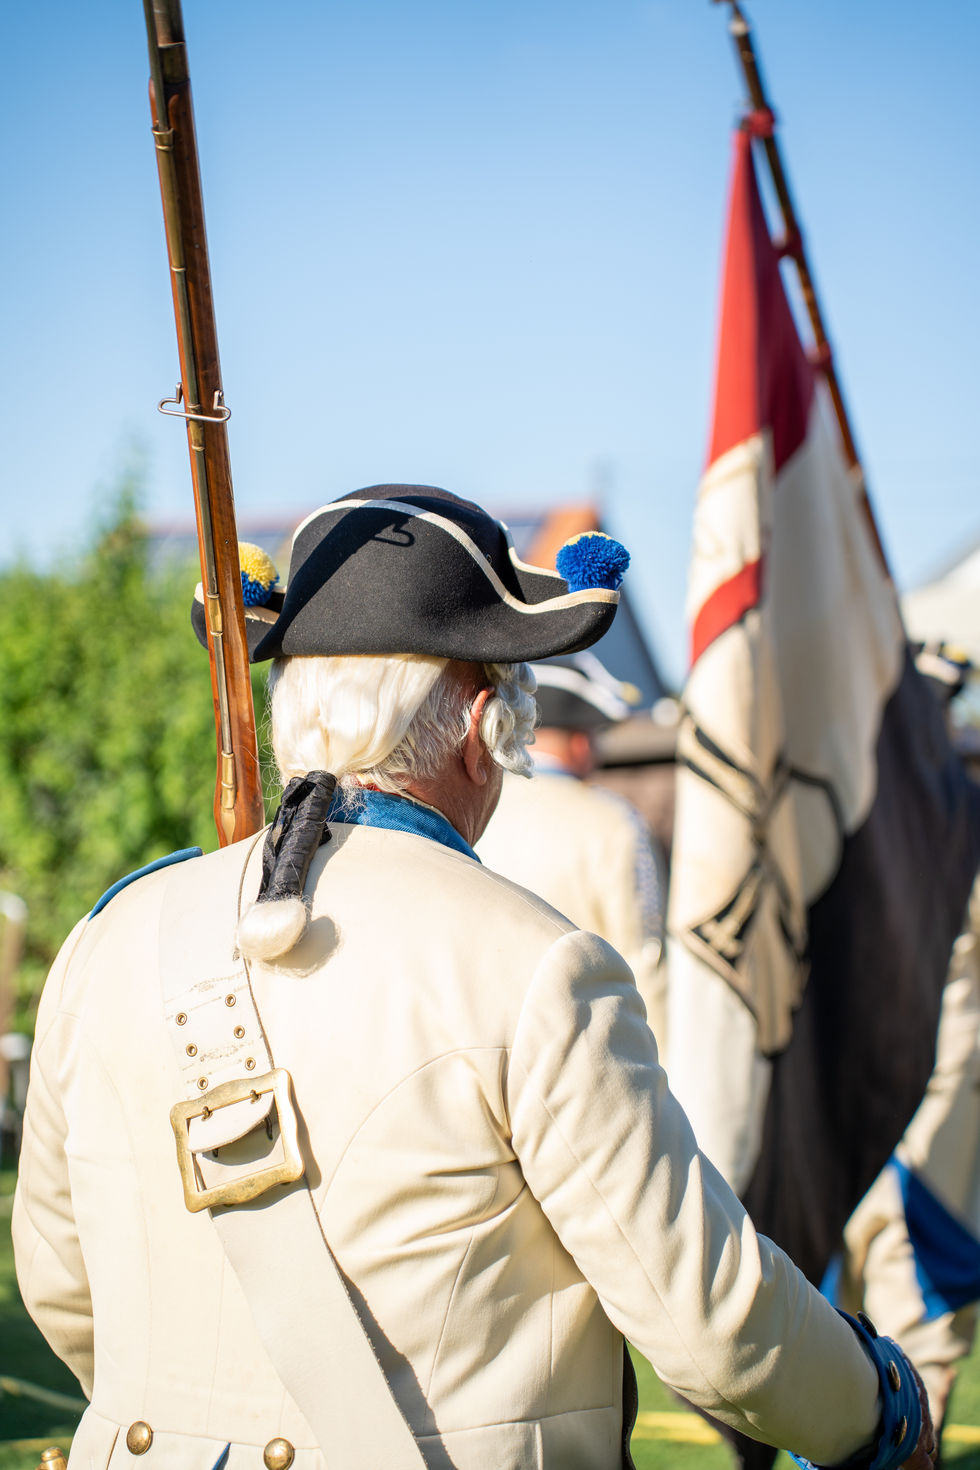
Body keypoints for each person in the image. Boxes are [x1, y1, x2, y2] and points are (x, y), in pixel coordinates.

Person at [14, 485, 935, 1470]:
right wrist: (881, 1407)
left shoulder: (107, 937)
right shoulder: (539, 967)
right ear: (482, 726)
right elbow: (709, 1326)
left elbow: (66, 1290)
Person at [832, 643, 980, 1462]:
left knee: (836, 1323)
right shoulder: (958, 817)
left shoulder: (831, 816)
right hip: (922, 1115)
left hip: (865, 1113)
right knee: (913, 1331)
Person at [477, 650, 668, 1040]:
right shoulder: (613, 822)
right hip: (595, 1054)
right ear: (581, 742)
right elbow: (646, 962)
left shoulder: (475, 816)